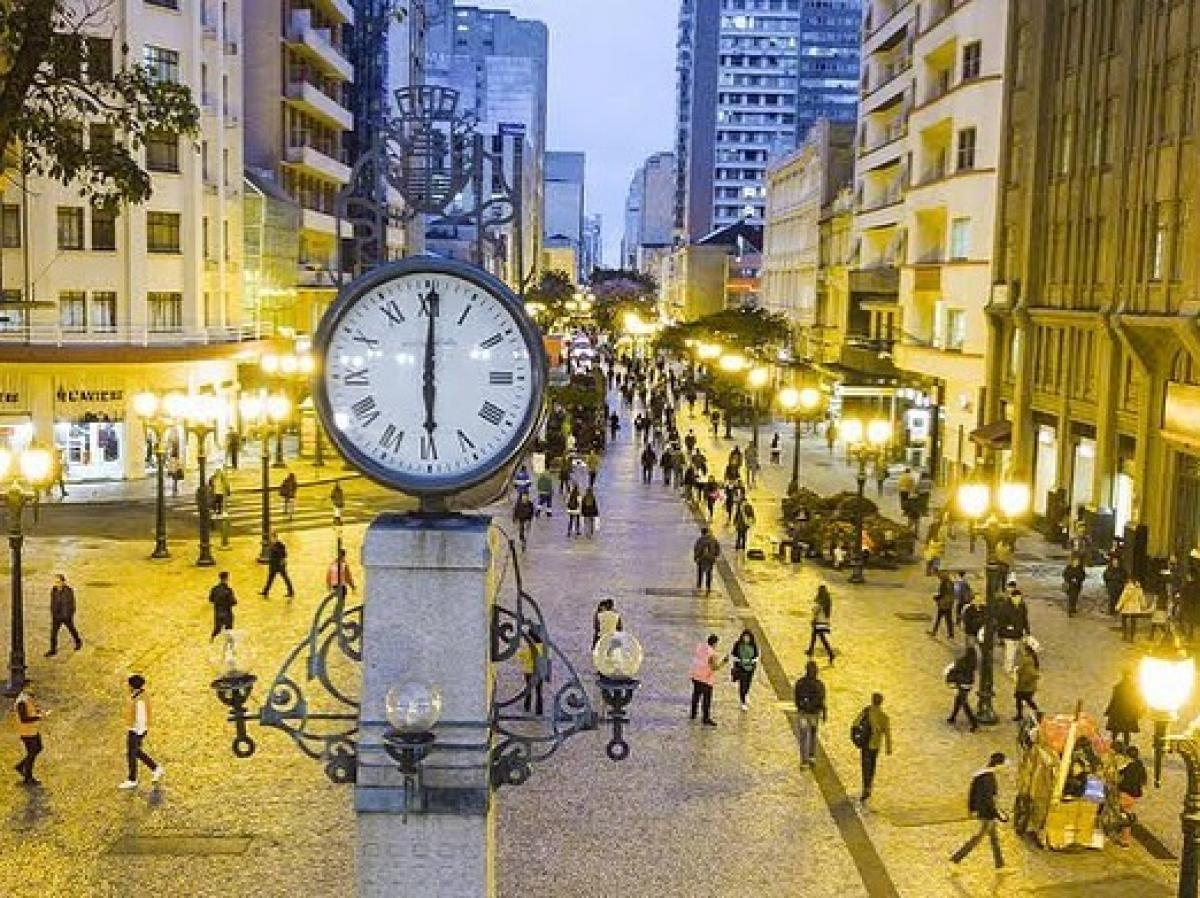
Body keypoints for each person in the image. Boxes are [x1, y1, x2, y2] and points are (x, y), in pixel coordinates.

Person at [949, 752, 1009, 869]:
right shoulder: (988, 778)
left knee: (994, 838)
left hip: (984, 811)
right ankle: (955, 860)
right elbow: (988, 799)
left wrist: (971, 808)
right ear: (998, 765)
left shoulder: (981, 774)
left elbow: (972, 792)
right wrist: (997, 814)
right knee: (978, 838)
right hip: (986, 813)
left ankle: (1000, 865)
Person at [119, 674, 164, 789]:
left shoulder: (139, 701)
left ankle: (132, 779)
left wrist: (137, 732)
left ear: (133, 687)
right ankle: (156, 768)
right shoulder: (141, 695)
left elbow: (140, 718)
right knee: (137, 752)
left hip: (136, 730)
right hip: (139, 729)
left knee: (131, 755)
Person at [857, 692, 892, 802]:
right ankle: (869, 785)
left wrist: (856, 735)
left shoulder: (866, 711)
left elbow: (856, 723)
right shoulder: (884, 717)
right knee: (872, 765)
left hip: (866, 744)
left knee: (865, 766)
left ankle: (866, 787)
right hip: (875, 745)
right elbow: (887, 733)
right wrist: (888, 747)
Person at [12, 681, 46, 786]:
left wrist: (39, 711)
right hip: (26, 732)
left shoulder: (28, 698)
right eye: (31, 686)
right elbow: (24, 719)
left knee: (38, 748)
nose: (33, 688)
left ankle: (21, 766)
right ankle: (28, 778)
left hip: (33, 730)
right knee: (32, 754)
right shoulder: (21, 701)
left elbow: (32, 709)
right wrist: (39, 717)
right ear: (25, 687)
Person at [793, 660, 827, 767]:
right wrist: (823, 712)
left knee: (803, 737)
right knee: (813, 734)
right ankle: (812, 756)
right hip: (814, 714)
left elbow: (796, 698)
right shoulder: (819, 685)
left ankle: (804, 760)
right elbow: (822, 700)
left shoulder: (800, 683)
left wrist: (801, 707)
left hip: (803, 713)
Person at [689, 634, 727, 726]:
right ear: (714, 643)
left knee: (696, 695)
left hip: (695, 675)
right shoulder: (712, 654)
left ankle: (693, 714)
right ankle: (706, 718)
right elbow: (714, 667)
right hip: (706, 678)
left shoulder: (700, 647)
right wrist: (724, 662)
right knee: (706, 699)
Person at [1115, 745, 1148, 848]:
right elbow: (1144, 780)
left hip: (1126, 793)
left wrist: (1119, 786)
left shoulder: (1129, 767)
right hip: (1135, 794)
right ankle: (1124, 838)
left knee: (1124, 815)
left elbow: (1121, 777)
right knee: (1126, 813)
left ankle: (1124, 840)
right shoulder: (1140, 765)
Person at [1105, 668, 1145, 748]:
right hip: (1126, 712)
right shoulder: (1131, 688)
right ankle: (1122, 745)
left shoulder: (1119, 687)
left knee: (1117, 730)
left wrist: (1109, 710)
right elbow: (1137, 700)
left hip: (1120, 712)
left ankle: (1114, 744)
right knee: (1124, 731)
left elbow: (1114, 700)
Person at [46, 573, 82, 656]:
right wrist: (53, 613)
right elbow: (53, 603)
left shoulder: (69, 591)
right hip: (56, 616)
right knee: (53, 634)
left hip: (66, 616)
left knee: (72, 629)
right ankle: (53, 650)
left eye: (58, 582)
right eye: (55, 582)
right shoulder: (54, 590)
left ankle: (78, 641)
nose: (57, 584)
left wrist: (69, 614)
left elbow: (72, 604)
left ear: (63, 582)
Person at [996, 589, 1031, 675]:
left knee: (1021, 653)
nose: (1018, 600)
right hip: (1008, 635)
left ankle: (1020, 669)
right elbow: (1000, 622)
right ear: (1011, 597)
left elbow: (1025, 620)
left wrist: (1027, 631)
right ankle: (1008, 670)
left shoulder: (1022, 606)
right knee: (1010, 653)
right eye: (1016, 598)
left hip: (1019, 634)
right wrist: (1003, 633)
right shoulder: (1004, 608)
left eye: (1019, 598)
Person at [945, 646, 979, 732]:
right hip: (969, 684)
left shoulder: (961, 661)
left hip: (962, 683)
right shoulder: (973, 663)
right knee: (958, 700)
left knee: (964, 703)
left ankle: (973, 722)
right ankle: (953, 717)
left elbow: (954, 669)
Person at [517, 629, 546, 716]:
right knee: (539, 691)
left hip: (528, 671)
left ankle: (527, 707)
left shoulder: (527, 648)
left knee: (528, 689)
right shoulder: (543, 647)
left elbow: (520, 656)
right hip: (539, 671)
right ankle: (539, 710)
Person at [730, 629, 759, 710]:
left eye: (747, 637)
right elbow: (733, 655)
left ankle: (745, 695)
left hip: (750, 668)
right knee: (742, 685)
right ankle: (742, 701)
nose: (746, 639)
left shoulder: (753, 645)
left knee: (747, 685)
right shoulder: (738, 644)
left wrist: (751, 661)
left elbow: (756, 656)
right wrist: (740, 661)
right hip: (741, 668)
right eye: (744, 637)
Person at [806, 584, 835, 663]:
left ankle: (831, 653)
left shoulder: (821, 601)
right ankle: (810, 650)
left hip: (819, 621)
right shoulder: (827, 600)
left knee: (822, 638)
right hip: (823, 620)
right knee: (814, 636)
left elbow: (816, 610)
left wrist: (814, 619)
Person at [261, 533, 295, 598]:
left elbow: (284, 554)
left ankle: (291, 591)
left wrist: (276, 550)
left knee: (285, 578)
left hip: (280, 565)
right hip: (273, 565)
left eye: (273, 538)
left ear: (276, 538)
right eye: (271, 538)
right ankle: (265, 591)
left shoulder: (280, 544)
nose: (272, 539)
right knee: (270, 579)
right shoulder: (272, 545)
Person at [1013, 643, 1041, 721]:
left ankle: (1022, 714)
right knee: (1024, 699)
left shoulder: (1027, 660)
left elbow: (1029, 672)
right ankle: (1021, 714)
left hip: (1025, 685)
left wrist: (1018, 671)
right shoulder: (1031, 658)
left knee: (1024, 699)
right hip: (1026, 685)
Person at [208, 571, 237, 641]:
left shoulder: (214, 589)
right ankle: (229, 642)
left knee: (217, 628)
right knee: (229, 628)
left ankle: (212, 637)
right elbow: (233, 602)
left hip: (218, 612)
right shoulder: (229, 590)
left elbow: (211, 599)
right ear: (227, 578)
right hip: (227, 613)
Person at [693, 526, 721, 594]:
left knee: (700, 572)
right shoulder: (713, 539)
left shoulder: (700, 540)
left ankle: (699, 585)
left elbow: (697, 549)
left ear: (702, 533)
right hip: (710, 559)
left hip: (701, 558)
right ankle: (708, 586)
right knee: (709, 573)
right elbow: (717, 548)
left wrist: (696, 557)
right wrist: (715, 555)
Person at [930, 572, 956, 639]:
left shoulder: (943, 585)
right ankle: (951, 634)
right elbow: (952, 594)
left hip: (943, 604)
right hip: (949, 604)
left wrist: (935, 597)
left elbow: (942, 594)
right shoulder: (951, 583)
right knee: (948, 620)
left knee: (938, 618)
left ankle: (934, 632)